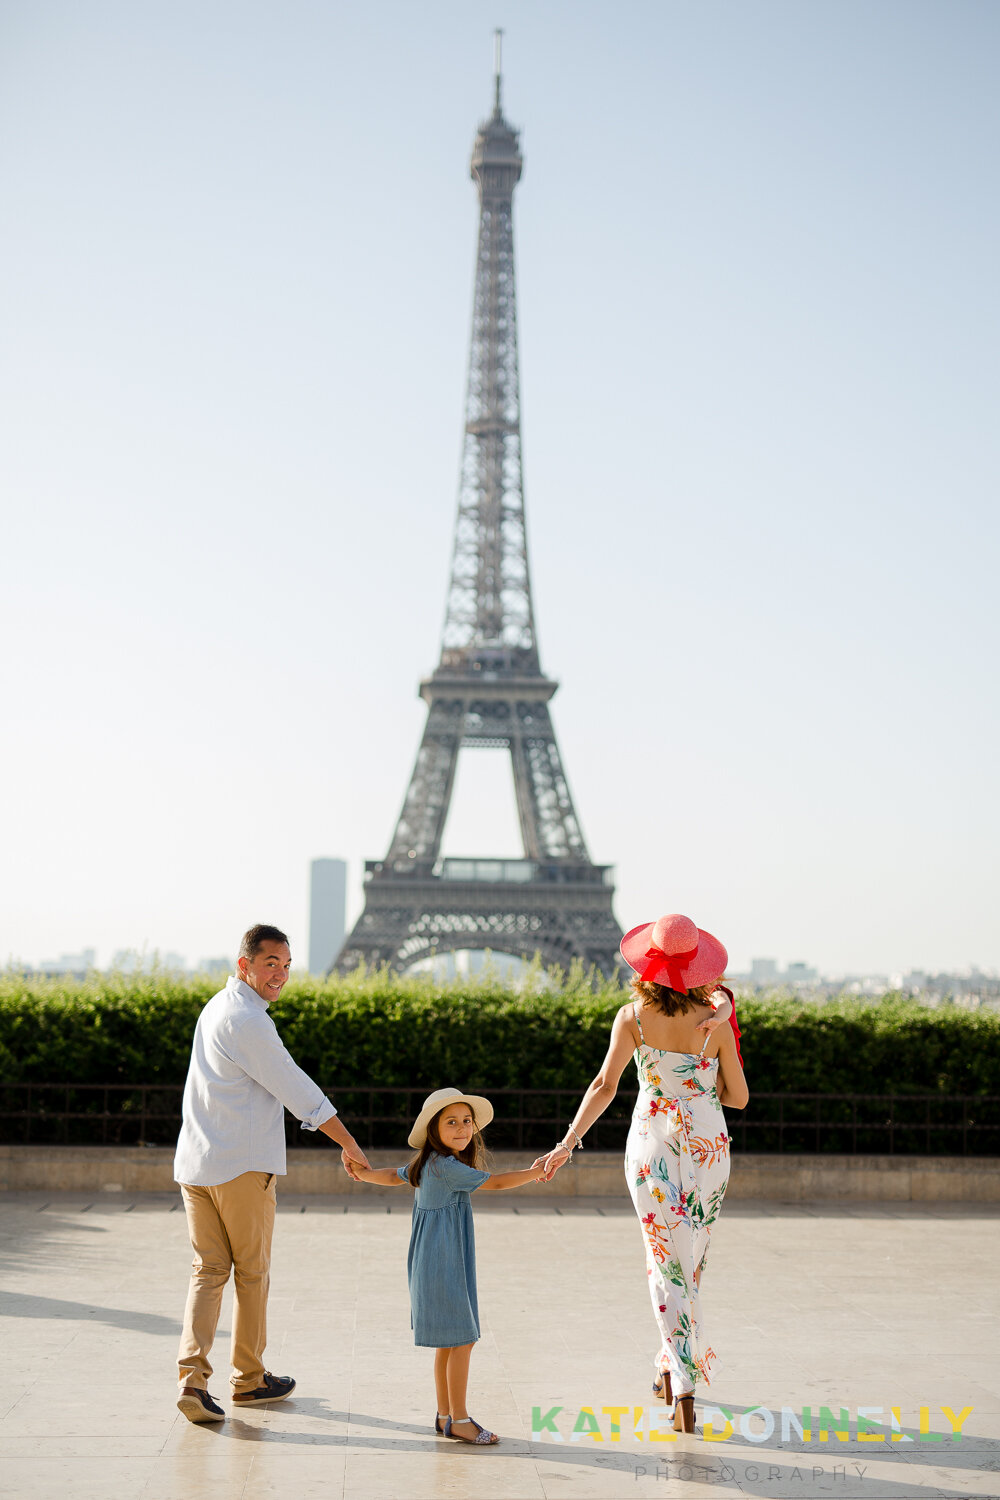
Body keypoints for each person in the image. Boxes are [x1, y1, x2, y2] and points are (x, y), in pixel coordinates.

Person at [539, 913, 748, 1433]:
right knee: (689, 1261)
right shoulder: (714, 1021)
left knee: (664, 1260)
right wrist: (703, 1081)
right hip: (706, 1149)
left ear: (649, 964)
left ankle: (681, 1381)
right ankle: (677, 1367)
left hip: (651, 1145)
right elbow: (739, 1098)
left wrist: (568, 1142)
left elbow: (604, 1086)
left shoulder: (632, 1016)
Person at [173, 923, 371, 1423]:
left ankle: (192, 1381)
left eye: (286, 964)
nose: (281, 973)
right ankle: (249, 1379)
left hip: (196, 1163)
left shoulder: (216, 1008)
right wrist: (349, 1143)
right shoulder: (249, 1021)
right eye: (270, 964)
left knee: (208, 1272)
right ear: (245, 965)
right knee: (252, 1274)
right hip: (240, 1167)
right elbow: (297, 1089)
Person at [345, 1086, 550, 1445]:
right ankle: (461, 1419)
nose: (461, 1128)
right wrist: (536, 1172)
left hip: (433, 1260)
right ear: (433, 1130)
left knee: (449, 1342)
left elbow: (393, 1176)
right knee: (464, 1340)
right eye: (451, 1122)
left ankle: (444, 1417)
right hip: (444, 1261)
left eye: (466, 1121)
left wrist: (363, 1174)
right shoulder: (446, 1167)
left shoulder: (427, 1164)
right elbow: (497, 1181)